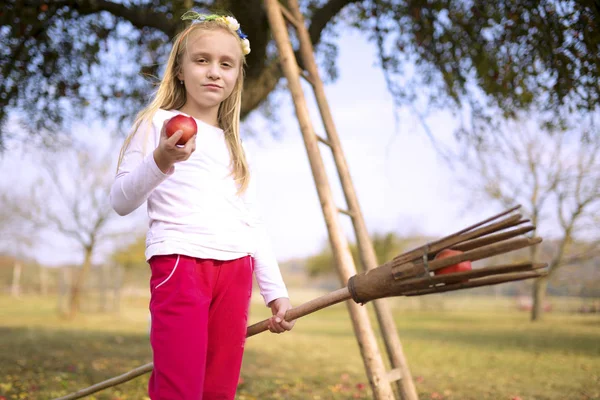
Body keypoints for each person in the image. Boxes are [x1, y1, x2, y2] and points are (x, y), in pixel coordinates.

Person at [110, 11, 295, 400]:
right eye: (202, 60)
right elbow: (121, 200)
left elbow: (251, 222)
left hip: (236, 272)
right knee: (179, 387)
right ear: (179, 70)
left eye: (226, 64)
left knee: (218, 388)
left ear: (236, 77)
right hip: (180, 265)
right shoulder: (156, 124)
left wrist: (275, 292)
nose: (214, 72)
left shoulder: (235, 146)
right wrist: (162, 160)